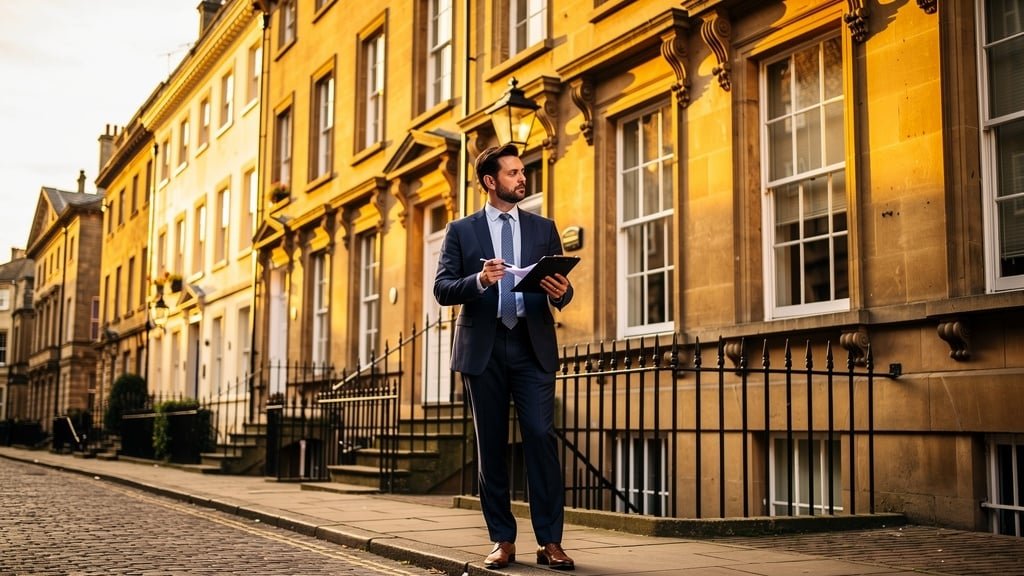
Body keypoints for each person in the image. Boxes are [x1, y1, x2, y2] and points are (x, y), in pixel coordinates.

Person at [433, 144, 575, 571]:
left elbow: (561, 286)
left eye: (522, 172)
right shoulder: (462, 230)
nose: (522, 178)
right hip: (485, 347)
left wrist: (561, 292)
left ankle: (551, 542)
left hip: (532, 347)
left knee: (539, 436)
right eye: (513, 173)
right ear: (491, 181)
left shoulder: (542, 227)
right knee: (491, 445)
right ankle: (502, 539)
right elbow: (443, 289)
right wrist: (478, 279)